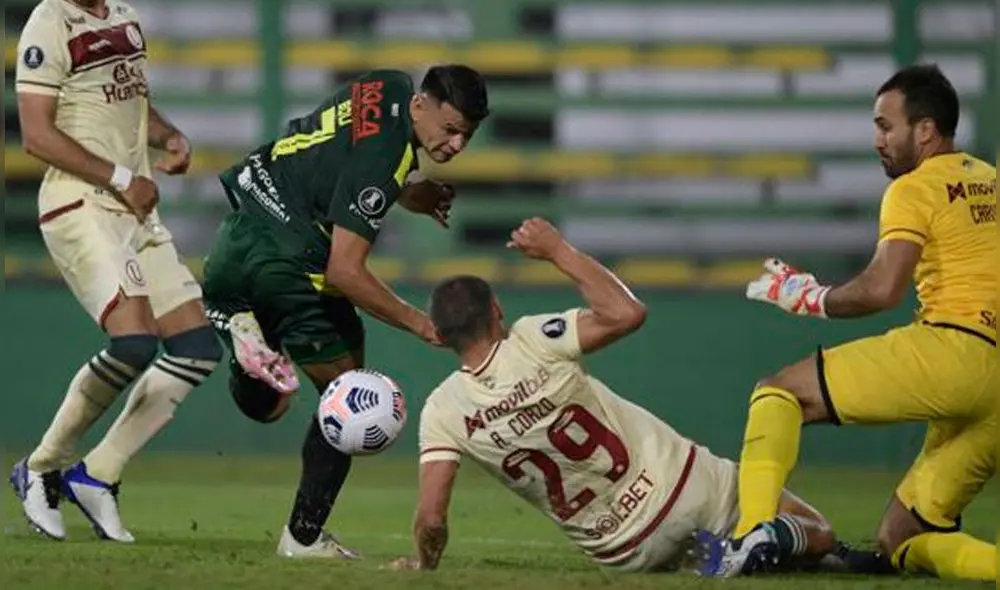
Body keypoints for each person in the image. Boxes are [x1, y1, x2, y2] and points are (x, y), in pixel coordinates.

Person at [388, 218, 839, 573]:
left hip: (626, 551)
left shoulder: (442, 410)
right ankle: (780, 544)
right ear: (497, 311)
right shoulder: (531, 340)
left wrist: (425, 563)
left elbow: (431, 518)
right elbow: (627, 313)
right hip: (687, 489)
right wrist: (557, 251)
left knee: (725, 554)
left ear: (443, 337)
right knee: (817, 531)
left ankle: (730, 556)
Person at [701, 64, 996, 581]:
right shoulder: (991, 181)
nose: (877, 139)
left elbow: (882, 289)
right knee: (904, 538)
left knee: (780, 392)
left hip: (955, 350)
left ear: (925, 130)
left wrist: (809, 295)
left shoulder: (914, 187)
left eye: (886, 126)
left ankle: (750, 537)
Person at [200, 65, 490, 558]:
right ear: (422, 105)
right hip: (292, 264)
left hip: (238, 235)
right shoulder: (386, 160)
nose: (457, 146)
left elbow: (339, 157)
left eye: (467, 135)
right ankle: (303, 538)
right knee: (351, 396)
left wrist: (409, 190)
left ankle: (245, 344)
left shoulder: (388, 85)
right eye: (451, 130)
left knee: (270, 405)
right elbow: (346, 273)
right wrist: (421, 323)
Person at [9, 0, 222, 543]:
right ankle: (40, 468)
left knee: (197, 345)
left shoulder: (122, 15)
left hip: (134, 210)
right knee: (133, 344)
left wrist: (168, 136)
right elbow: (36, 134)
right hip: (80, 202)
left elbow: (128, 101)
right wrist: (122, 177)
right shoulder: (49, 21)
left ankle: (97, 476)